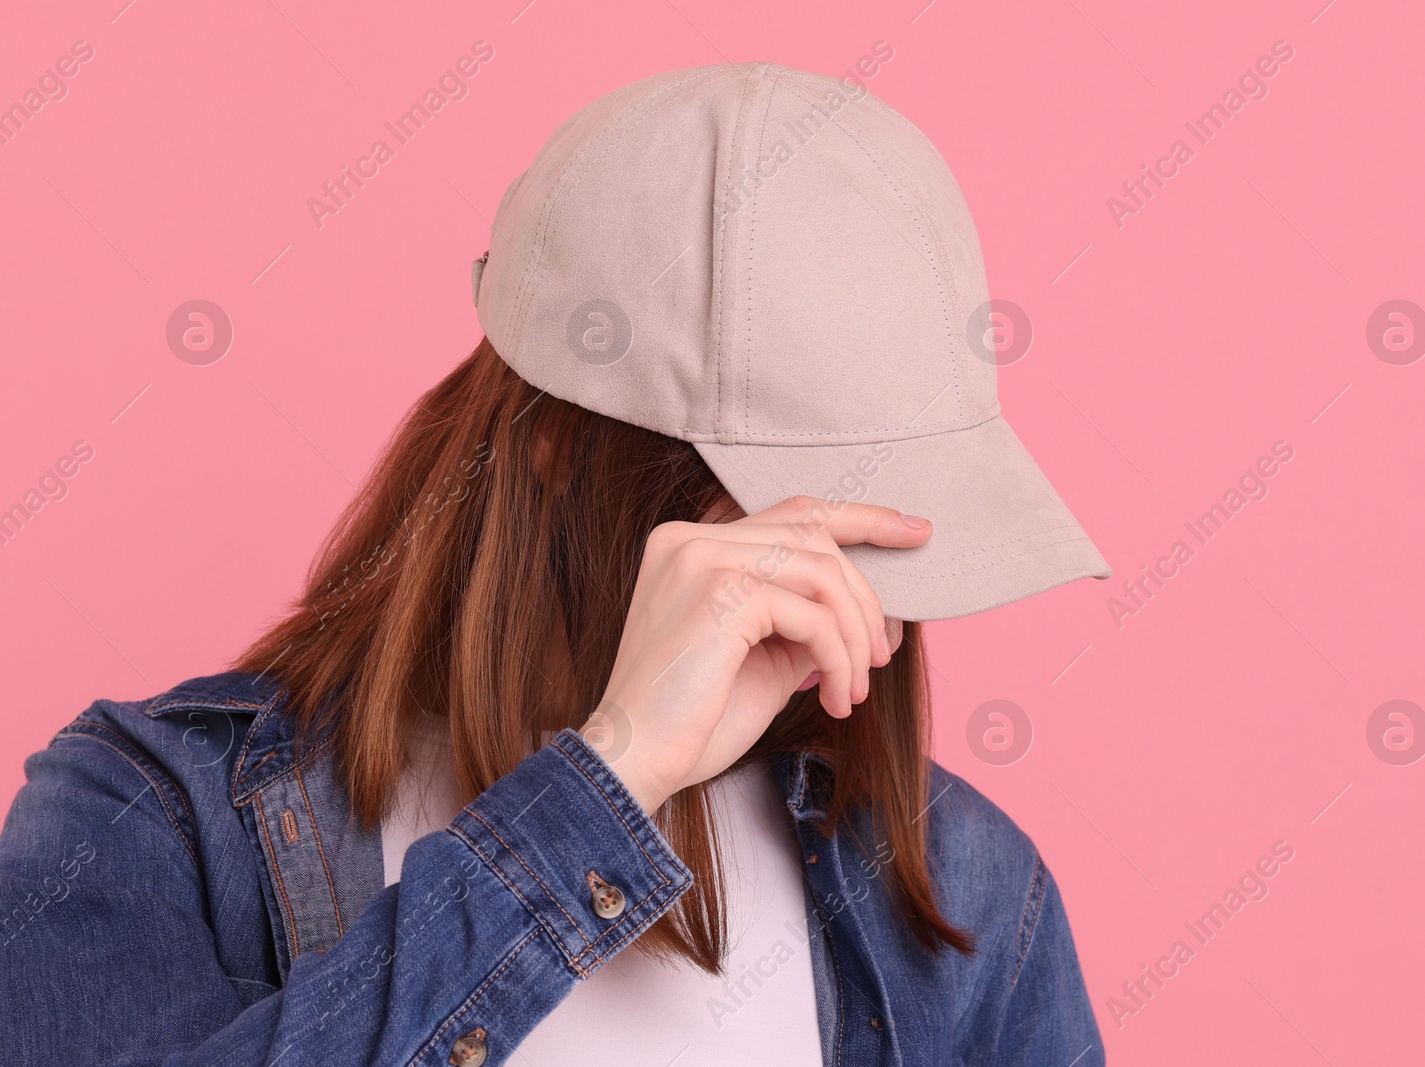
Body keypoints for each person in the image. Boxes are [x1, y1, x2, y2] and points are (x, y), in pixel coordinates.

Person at [0, 62, 1110, 1066]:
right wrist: (602, 785)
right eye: (790, 511)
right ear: (558, 442)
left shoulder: (967, 891)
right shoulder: (145, 816)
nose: (853, 584)